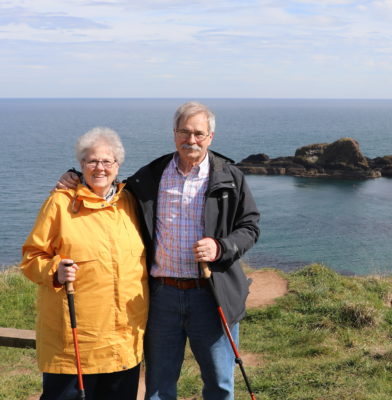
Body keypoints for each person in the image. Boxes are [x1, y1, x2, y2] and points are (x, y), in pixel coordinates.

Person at [58, 102, 260, 400]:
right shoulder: (151, 176)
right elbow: (107, 188)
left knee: (219, 384)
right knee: (158, 387)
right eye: (184, 132)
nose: (191, 140)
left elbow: (250, 226)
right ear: (174, 133)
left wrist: (221, 247)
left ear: (210, 137)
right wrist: (75, 176)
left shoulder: (230, 177)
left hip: (211, 294)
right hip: (161, 297)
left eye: (199, 133)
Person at [22, 127, 148, 400]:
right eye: (92, 161)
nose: (100, 168)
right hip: (74, 345)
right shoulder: (59, 203)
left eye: (107, 161)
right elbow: (31, 257)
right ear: (80, 165)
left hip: (124, 342)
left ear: (118, 165)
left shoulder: (130, 202)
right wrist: (54, 271)